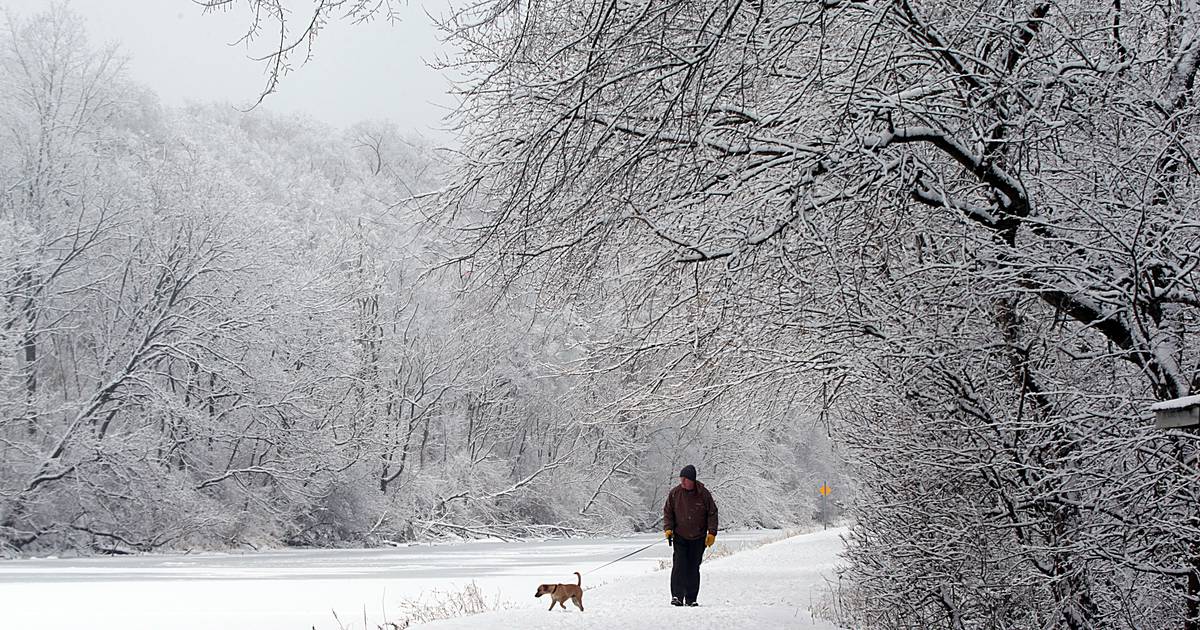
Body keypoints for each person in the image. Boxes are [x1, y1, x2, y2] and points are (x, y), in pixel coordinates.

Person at [663, 464, 718, 607]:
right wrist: (668, 529)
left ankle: (691, 598)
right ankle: (677, 596)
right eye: (681, 479)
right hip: (680, 536)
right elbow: (668, 512)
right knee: (680, 565)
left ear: (692, 480)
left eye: (685, 479)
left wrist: (711, 533)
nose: (682, 482)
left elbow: (712, 513)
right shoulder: (675, 493)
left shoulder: (704, 494)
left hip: (698, 538)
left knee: (693, 567)